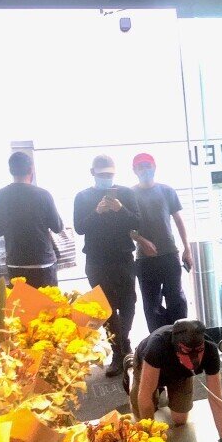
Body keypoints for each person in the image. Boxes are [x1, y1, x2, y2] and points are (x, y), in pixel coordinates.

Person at [127, 319, 222, 442]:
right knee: (142, 417)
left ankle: (165, 392)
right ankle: (131, 369)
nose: (195, 358)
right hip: (148, 366)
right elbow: (144, 396)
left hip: (181, 373)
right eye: (187, 351)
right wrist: (150, 441)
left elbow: (216, 396)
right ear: (176, 347)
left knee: (180, 420)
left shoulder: (210, 349)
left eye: (199, 350)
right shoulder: (157, 346)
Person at [74, 154, 140, 377]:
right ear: (92, 173)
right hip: (96, 260)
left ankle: (124, 342)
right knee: (106, 307)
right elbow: (79, 228)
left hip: (123, 257)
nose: (106, 178)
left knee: (129, 301)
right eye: (102, 175)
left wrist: (121, 209)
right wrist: (96, 212)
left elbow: (137, 222)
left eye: (110, 175)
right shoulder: (82, 197)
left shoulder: (126, 193)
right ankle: (119, 351)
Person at [131, 152, 193, 333]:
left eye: (148, 166)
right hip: (145, 259)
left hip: (169, 254)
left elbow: (178, 220)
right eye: (141, 167)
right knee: (152, 305)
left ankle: (180, 338)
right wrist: (141, 240)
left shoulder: (167, 191)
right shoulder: (130, 194)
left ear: (155, 167)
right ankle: (159, 341)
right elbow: (126, 228)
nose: (145, 170)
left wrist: (187, 249)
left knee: (177, 300)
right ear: (134, 170)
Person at [0, 151, 63, 287]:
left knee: (20, 301)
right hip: (43, 262)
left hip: (16, 263)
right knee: (47, 300)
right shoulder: (43, 195)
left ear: (11, 170)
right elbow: (57, 227)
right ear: (30, 170)